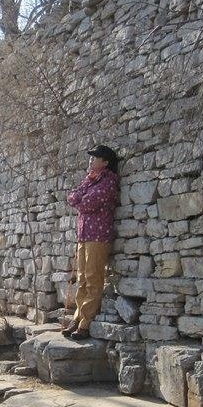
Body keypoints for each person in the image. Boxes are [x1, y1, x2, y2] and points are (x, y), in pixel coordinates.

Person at [62, 144, 119, 340]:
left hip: (98, 236)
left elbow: (87, 203)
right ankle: (77, 318)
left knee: (93, 278)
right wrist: (79, 199)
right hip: (84, 235)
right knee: (82, 280)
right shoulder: (90, 180)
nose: (91, 160)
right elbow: (72, 197)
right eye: (91, 157)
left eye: (95, 158)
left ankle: (85, 323)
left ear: (105, 162)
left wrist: (79, 200)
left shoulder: (109, 181)